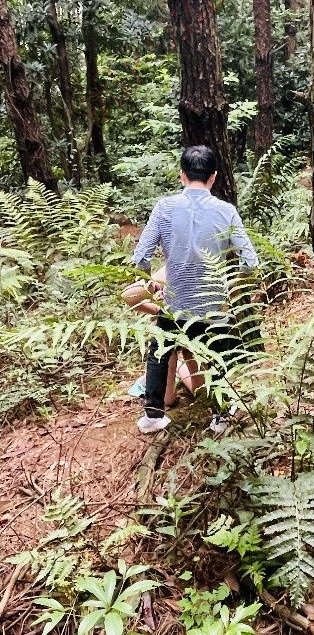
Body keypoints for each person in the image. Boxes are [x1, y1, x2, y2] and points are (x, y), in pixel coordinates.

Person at [132, 145, 259, 433]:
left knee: (159, 351)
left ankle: (153, 415)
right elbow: (250, 262)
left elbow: (141, 257)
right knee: (217, 355)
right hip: (213, 306)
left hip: (174, 304)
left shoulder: (164, 208)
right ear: (213, 177)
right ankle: (221, 416)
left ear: (182, 175)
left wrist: (151, 285)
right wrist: (229, 287)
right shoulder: (226, 211)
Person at [122, 267, 194, 405]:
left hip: (196, 336)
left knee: (202, 391)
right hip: (169, 335)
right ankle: (172, 369)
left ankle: (179, 369)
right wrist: (157, 309)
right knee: (167, 400)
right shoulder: (173, 268)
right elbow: (128, 295)